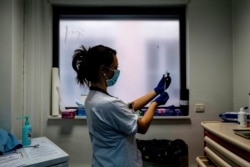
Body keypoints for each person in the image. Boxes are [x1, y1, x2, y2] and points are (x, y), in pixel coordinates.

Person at [72, 44, 171, 167]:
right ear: (103, 70)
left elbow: (128, 107)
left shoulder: (92, 98)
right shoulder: (108, 104)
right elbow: (143, 126)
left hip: (103, 162)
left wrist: (156, 91)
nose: (117, 71)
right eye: (115, 67)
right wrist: (154, 104)